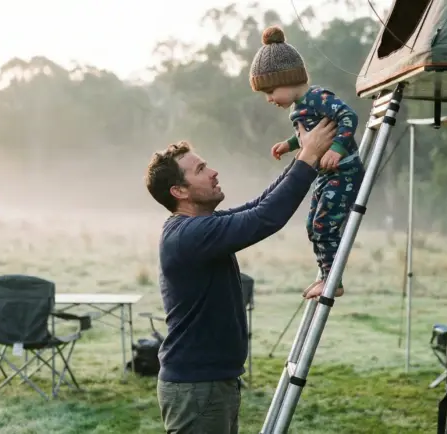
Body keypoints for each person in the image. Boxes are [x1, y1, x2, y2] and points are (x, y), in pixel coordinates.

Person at [144, 117, 338, 434]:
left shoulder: (199, 227)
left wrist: (304, 158)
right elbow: (265, 218)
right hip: (197, 387)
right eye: (201, 170)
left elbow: (259, 205)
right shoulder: (190, 235)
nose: (213, 172)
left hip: (209, 383)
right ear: (179, 191)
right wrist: (308, 158)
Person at [250, 25, 365, 298]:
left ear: (288, 79)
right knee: (313, 225)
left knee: (324, 225)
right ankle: (327, 275)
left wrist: (337, 148)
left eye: (271, 91)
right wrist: (289, 145)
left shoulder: (317, 97)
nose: (269, 99)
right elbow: (307, 134)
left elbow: (349, 117)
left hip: (343, 172)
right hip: (324, 175)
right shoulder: (298, 107)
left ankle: (333, 281)